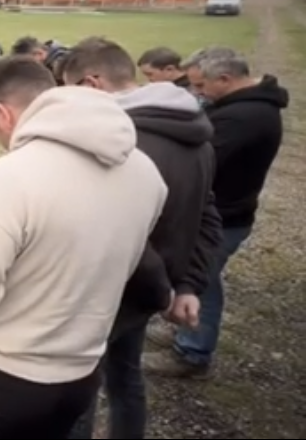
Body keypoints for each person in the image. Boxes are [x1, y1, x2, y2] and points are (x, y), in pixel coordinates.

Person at [0, 57, 167, 439]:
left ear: (3, 114)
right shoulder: (145, 172)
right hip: (81, 374)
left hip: (1, 376)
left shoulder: (6, 181)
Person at [60, 37, 222, 439]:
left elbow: (115, 230)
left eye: (69, 91)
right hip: (149, 293)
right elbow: (207, 215)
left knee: (77, 392)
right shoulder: (196, 133)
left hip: (106, 293)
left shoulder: (119, 142)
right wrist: (186, 285)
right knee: (126, 376)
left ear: (91, 84)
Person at [143, 46, 289, 378]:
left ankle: (192, 353)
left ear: (224, 78)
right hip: (226, 210)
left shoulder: (243, 118)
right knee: (199, 278)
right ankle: (185, 326)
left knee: (202, 282)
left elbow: (201, 160)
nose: (197, 93)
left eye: (200, 85)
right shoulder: (243, 106)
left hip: (224, 216)